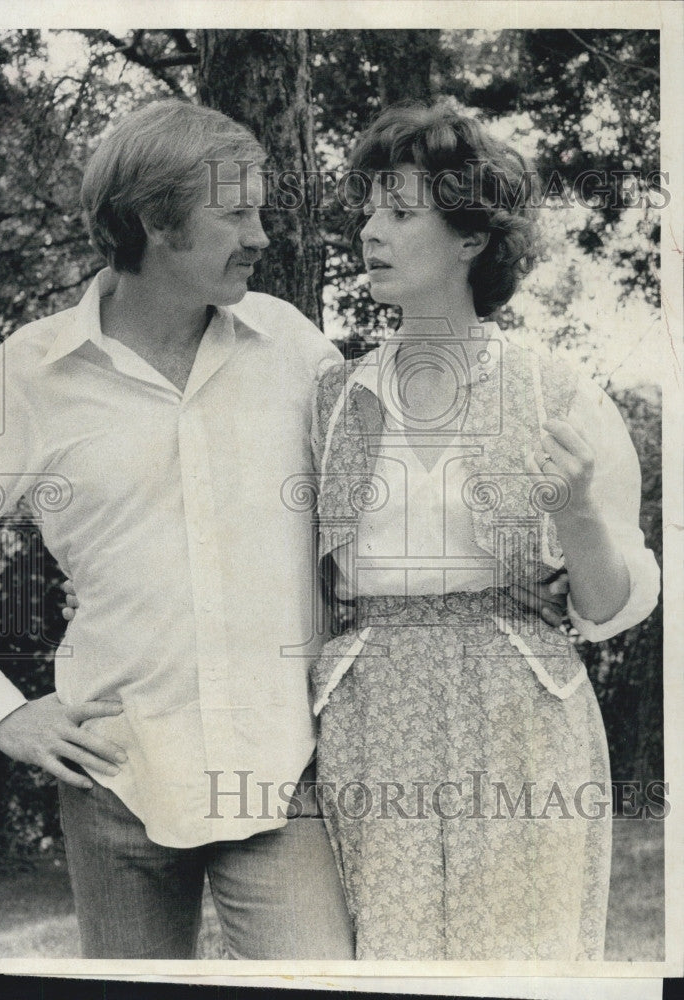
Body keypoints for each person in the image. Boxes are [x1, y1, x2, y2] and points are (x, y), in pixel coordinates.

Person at [0, 99, 355, 960]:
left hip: (281, 772)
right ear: (151, 222)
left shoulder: (293, 348)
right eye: (235, 211)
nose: (260, 235)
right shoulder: (31, 372)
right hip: (116, 778)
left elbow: (377, 513)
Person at [308, 101, 660, 961]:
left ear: (470, 239)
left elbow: (613, 603)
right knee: (386, 963)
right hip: (369, 713)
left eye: (399, 212)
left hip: (520, 715)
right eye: (368, 210)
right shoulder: (331, 399)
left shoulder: (553, 389)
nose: (369, 231)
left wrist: (574, 512)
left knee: (520, 961)